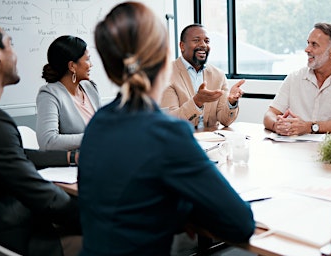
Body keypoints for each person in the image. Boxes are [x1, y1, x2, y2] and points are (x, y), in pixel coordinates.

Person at [78, 2, 255, 255]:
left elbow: (131, 195)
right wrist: (184, 207)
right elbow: (240, 224)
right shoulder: (165, 132)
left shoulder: (99, 122)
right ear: (165, 59)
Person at [0, 14, 81, 256]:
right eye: (10, 43)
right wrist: (96, 215)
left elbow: (18, 155)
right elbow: (45, 198)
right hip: (11, 239)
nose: (15, 53)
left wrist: (71, 158)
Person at [263, 23, 331, 136]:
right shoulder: (294, 78)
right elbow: (270, 114)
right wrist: (276, 125)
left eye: (314, 45)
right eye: (308, 43)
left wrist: (310, 127)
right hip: (296, 149)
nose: (307, 49)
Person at [160, 23, 245, 129]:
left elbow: (225, 121)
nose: (203, 45)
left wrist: (231, 102)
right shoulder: (166, 73)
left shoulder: (218, 75)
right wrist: (197, 102)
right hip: (182, 140)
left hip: (212, 141)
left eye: (207, 41)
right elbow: (170, 121)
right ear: (182, 46)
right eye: (196, 40)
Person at [36, 35, 101, 151]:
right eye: (87, 59)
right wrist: (93, 137)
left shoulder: (90, 87)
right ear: (72, 66)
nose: (91, 65)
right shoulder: (49, 94)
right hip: (75, 165)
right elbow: (48, 141)